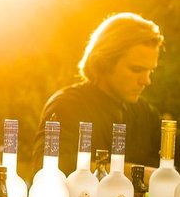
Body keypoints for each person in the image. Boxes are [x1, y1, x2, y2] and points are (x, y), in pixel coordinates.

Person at [31, 12, 168, 182]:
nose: (146, 81)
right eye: (136, 70)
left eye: (150, 71)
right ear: (104, 61)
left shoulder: (146, 114)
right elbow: (48, 166)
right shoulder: (66, 105)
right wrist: (133, 173)